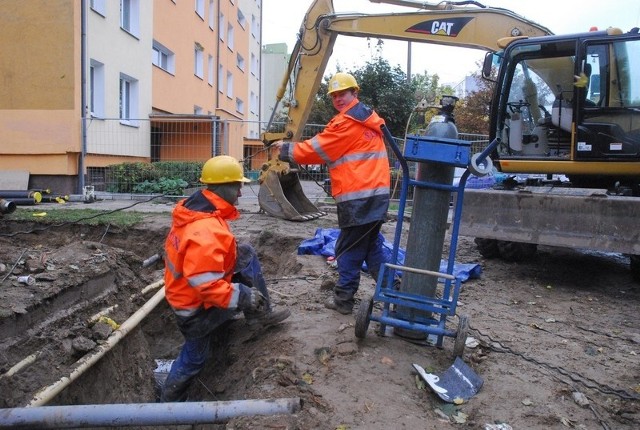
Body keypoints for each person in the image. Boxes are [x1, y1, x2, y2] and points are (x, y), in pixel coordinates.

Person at [161, 155, 291, 402]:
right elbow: (205, 285)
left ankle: (260, 316)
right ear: (221, 187)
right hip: (194, 312)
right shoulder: (205, 230)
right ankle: (169, 406)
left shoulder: (197, 210)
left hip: (185, 295)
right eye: (237, 186)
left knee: (246, 253)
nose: (241, 193)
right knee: (194, 358)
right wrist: (242, 295)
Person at [273, 72, 391, 315]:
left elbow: (317, 149)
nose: (338, 99)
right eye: (334, 95)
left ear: (354, 93)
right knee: (371, 247)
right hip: (374, 198)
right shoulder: (366, 120)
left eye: (342, 93)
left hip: (359, 199)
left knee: (348, 249)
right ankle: (394, 293)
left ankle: (344, 299)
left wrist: (285, 149)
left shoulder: (348, 123)